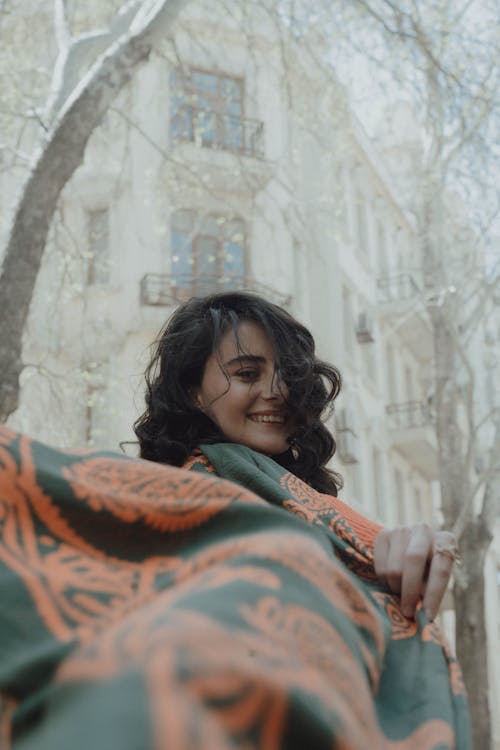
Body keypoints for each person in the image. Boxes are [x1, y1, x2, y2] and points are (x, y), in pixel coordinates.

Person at [134, 290, 459, 622]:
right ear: (194, 393)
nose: (278, 392)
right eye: (247, 374)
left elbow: (390, 556)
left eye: (289, 376)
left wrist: (419, 546)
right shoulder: (146, 503)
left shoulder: (319, 509)